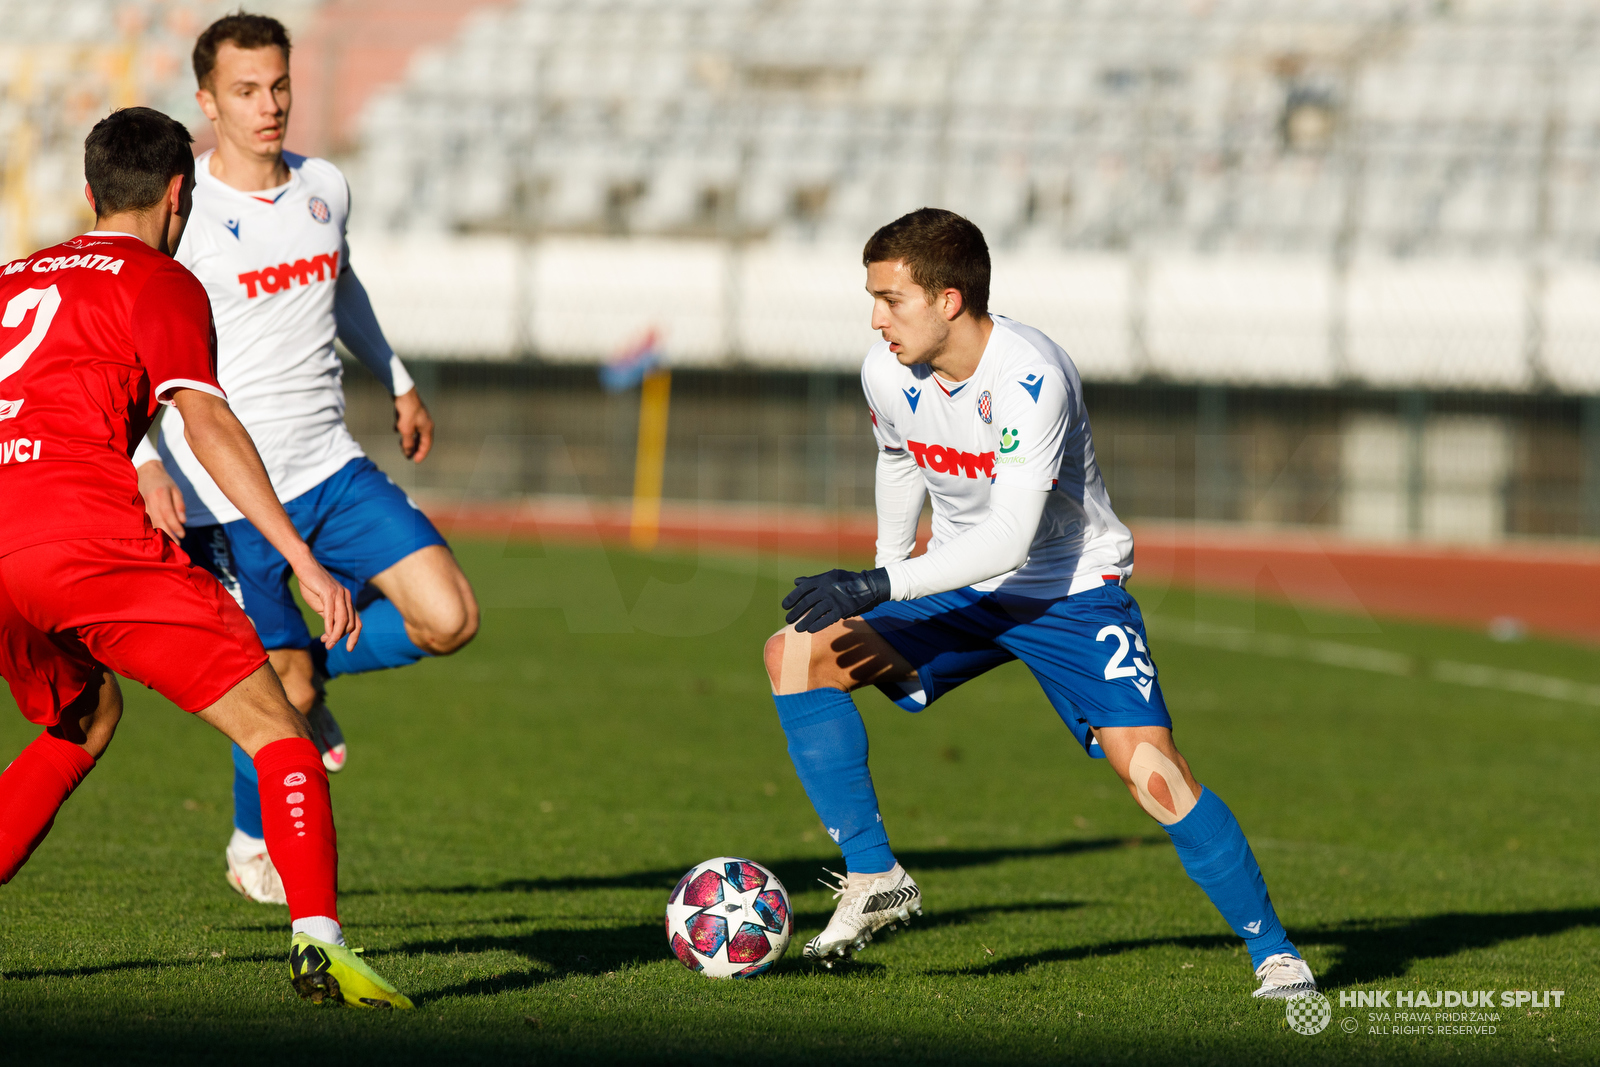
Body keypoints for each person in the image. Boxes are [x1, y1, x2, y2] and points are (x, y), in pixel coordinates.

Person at [764, 208, 1317, 999]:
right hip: (958, 584)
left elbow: (1011, 538)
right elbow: (900, 459)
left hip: (1069, 589)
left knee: (1153, 771)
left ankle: (1276, 952)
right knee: (795, 655)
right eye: (872, 298)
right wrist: (885, 570)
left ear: (950, 299)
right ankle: (874, 871)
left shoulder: (1032, 377)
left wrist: (883, 586)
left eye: (892, 299)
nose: (877, 318)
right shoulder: (884, 370)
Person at [0, 106, 409, 1008]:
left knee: (83, 716)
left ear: (89, 190)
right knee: (278, 728)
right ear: (179, 193)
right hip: (84, 539)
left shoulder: (12, 277)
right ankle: (320, 945)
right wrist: (302, 557)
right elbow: (208, 418)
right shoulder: (160, 279)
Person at [131, 12, 479, 904]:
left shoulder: (325, 186)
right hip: (227, 491)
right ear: (207, 103)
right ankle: (253, 838)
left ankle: (313, 671)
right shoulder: (185, 212)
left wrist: (397, 378)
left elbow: (342, 281)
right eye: (247, 91)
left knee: (449, 617)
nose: (270, 105)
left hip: (330, 463)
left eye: (279, 85)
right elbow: (132, 338)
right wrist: (144, 457)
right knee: (274, 682)